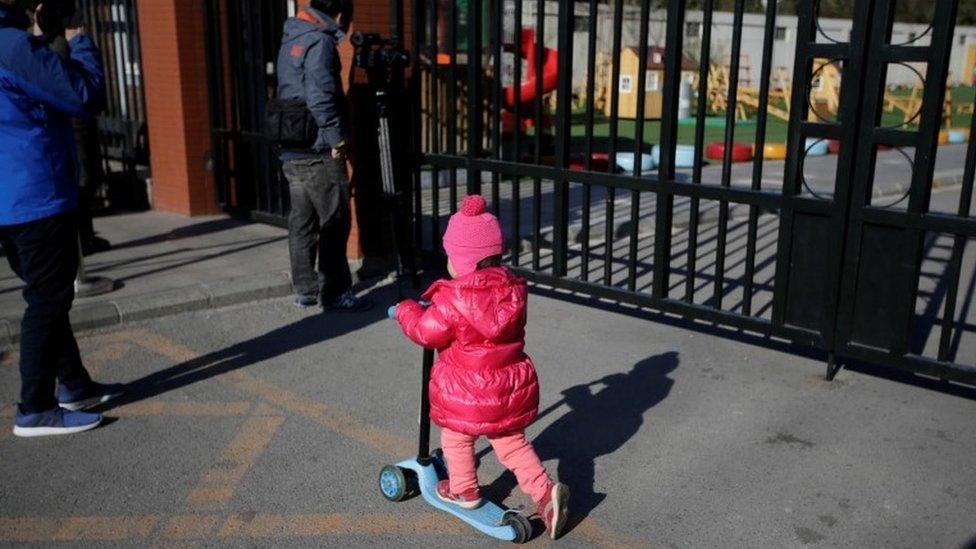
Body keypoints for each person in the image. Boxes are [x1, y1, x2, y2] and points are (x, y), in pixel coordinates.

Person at [389, 195, 570, 540]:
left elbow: (427, 332)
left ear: (463, 260)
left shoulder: (452, 298)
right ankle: (546, 493)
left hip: (467, 392)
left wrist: (405, 311)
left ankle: (465, 492)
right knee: (512, 442)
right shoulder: (513, 290)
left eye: (451, 258)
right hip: (508, 386)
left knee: (456, 438)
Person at [0, 0, 123, 437]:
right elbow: (84, 95)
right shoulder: (11, 47)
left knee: (49, 299)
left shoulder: (16, 46)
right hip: (36, 195)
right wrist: (78, 41)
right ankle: (34, 408)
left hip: (10, 198)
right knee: (47, 301)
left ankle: (74, 386)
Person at [275, 0, 370, 311]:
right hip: (318, 146)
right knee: (334, 220)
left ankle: (305, 290)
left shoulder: (292, 35)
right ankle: (336, 291)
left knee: (301, 221)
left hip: (292, 143)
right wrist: (336, 139)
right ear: (341, 14)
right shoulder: (320, 41)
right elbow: (320, 96)